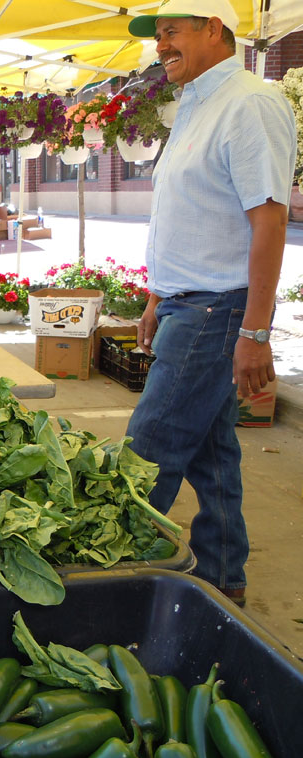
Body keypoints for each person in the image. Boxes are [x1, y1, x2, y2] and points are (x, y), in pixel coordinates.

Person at [124, 0, 296, 607]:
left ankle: (115, 576)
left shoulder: (250, 103)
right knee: (211, 450)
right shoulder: (196, 105)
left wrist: (254, 333)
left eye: (171, 31)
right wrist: (155, 298)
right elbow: (190, 216)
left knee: (147, 456)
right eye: (157, 35)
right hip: (186, 303)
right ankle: (224, 575)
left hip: (215, 311)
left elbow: (269, 219)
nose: (160, 44)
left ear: (214, 29)